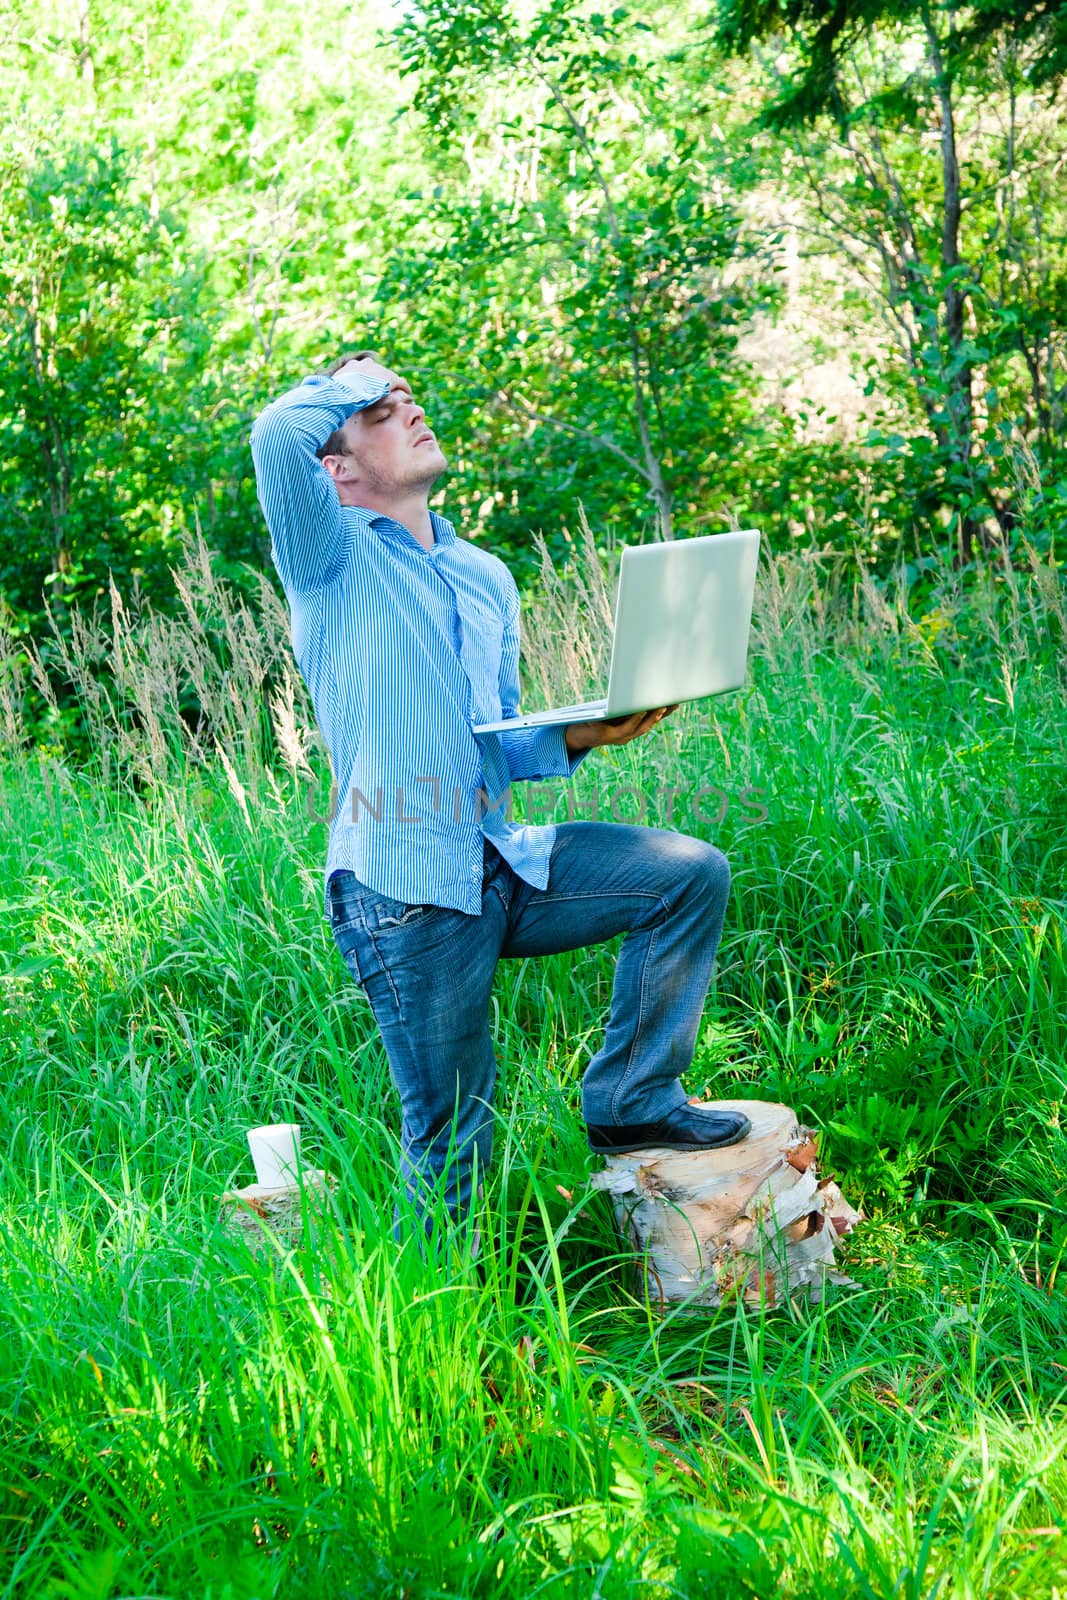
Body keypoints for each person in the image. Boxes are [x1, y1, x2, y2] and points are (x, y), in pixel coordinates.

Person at [250, 351, 750, 1239]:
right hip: (402, 887)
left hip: (497, 859)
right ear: (337, 469)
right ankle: (449, 1332)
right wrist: (354, 380)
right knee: (453, 1134)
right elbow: (272, 432)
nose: (407, 408)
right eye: (380, 411)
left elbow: (494, 738)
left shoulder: (484, 575)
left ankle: (634, 1099)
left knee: (687, 875)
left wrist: (580, 734)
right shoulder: (326, 557)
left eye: (408, 397)